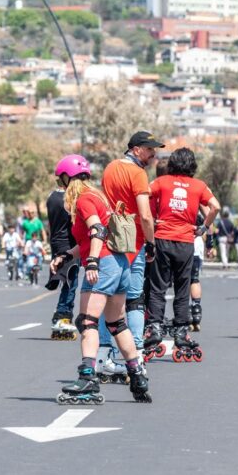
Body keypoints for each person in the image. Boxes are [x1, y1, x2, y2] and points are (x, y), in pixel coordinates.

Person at [51, 161, 151, 404]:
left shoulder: (84, 200)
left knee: (87, 322)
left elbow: (97, 231)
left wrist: (93, 262)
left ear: (66, 178)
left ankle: (87, 377)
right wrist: (67, 256)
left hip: (104, 265)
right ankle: (137, 376)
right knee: (117, 323)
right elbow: (88, 239)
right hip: (120, 263)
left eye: (59, 180)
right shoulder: (98, 197)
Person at [145, 148, 220, 358]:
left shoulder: (162, 182)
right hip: (186, 242)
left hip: (162, 238)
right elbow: (215, 207)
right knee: (182, 287)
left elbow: (143, 195)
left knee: (157, 287)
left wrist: (150, 220)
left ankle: (155, 328)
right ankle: (181, 332)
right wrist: (204, 227)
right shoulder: (199, 186)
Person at [98, 131, 162, 362]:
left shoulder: (110, 168)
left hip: (111, 238)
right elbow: (145, 215)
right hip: (132, 241)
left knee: (107, 297)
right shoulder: (138, 173)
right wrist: (151, 243)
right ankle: (134, 353)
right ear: (136, 149)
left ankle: (105, 352)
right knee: (134, 298)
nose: (153, 154)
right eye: (149, 150)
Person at [47, 155, 87, 339]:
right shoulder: (68, 200)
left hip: (57, 242)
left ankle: (61, 315)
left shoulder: (52, 197)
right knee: (71, 283)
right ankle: (63, 316)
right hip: (68, 245)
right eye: (79, 178)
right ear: (67, 178)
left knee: (67, 282)